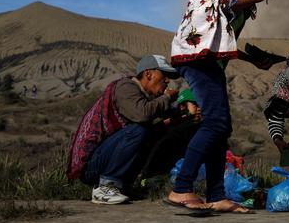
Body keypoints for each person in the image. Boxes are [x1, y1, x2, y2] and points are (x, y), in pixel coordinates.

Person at [168, 0, 289, 213]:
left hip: (205, 59)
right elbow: (224, 1)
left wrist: (253, 60)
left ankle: (216, 195)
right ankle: (181, 188)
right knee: (215, 122)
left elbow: (220, 32)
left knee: (221, 128)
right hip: (196, 58)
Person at [66, 55, 198, 205]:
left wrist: (180, 116)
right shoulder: (126, 87)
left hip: (103, 158)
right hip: (91, 166)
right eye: (164, 75)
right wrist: (167, 98)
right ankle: (106, 186)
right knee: (140, 129)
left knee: (151, 133)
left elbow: (154, 124)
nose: (167, 80)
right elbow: (142, 115)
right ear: (148, 74)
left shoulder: (143, 96)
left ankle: (122, 186)